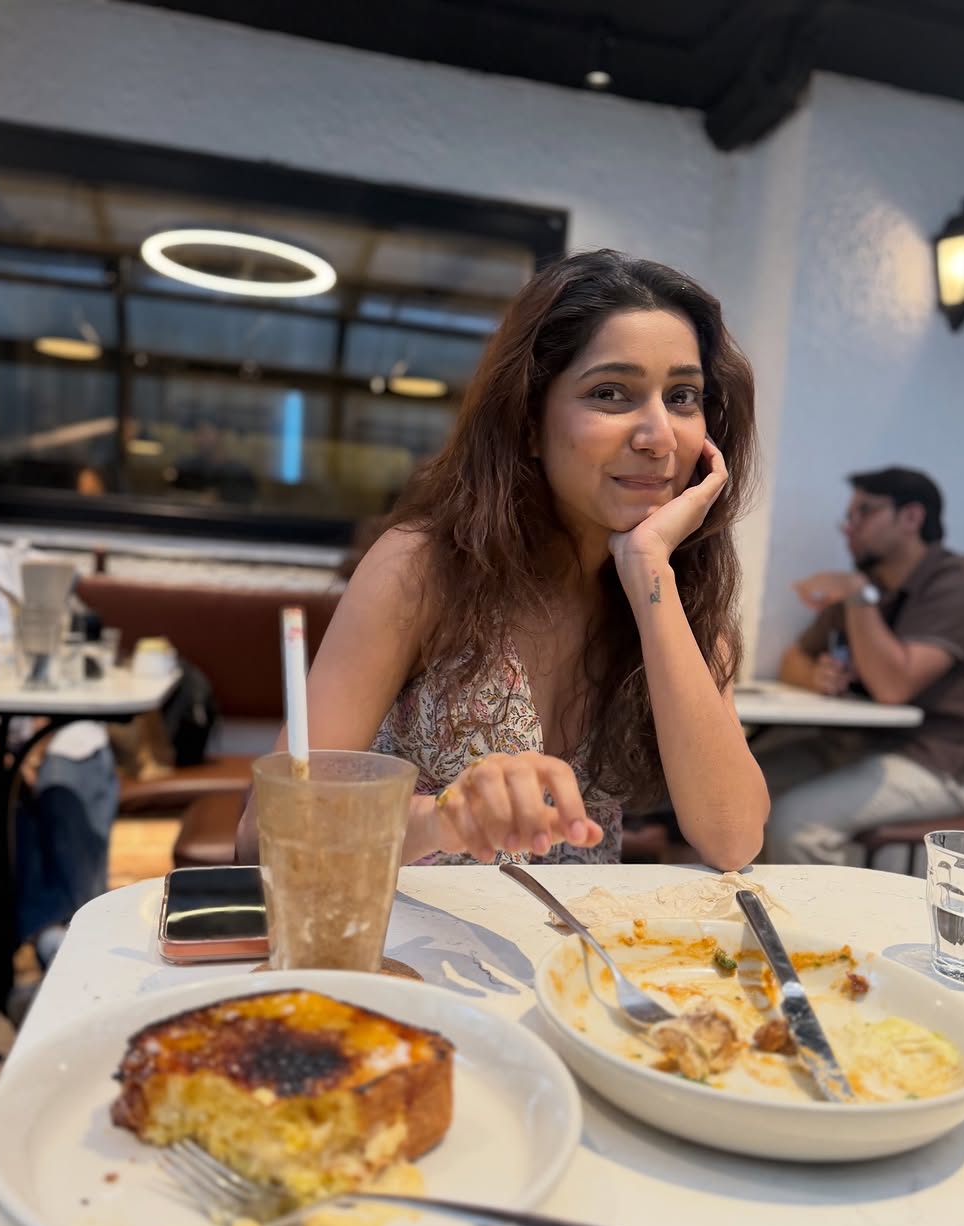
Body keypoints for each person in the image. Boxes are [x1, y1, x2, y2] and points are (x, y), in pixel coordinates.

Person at [238, 250, 769, 870]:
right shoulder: (424, 566)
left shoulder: (685, 596)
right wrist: (441, 818)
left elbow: (733, 839)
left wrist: (650, 569)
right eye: (611, 393)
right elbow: (261, 834)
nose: (658, 436)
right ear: (527, 423)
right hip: (402, 945)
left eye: (682, 397)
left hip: (578, 957)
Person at [765, 466, 964, 866]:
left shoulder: (961, 584)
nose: (849, 527)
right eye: (848, 516)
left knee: (798, 823)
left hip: (938, 762)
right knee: (738, 791)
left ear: (911, 517)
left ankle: (822, 929)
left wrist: (859, 596)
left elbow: (893, 687)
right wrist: (817, 677)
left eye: (864, 512)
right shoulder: (870, 580)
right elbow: (793, 661)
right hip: (858, 746)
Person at [0, 449, 119, 969]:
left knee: (66, 784)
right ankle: (63, 949)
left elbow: (69, 656)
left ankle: (71, 940)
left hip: (53, 727)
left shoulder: (24, 569)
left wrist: (36, 748)